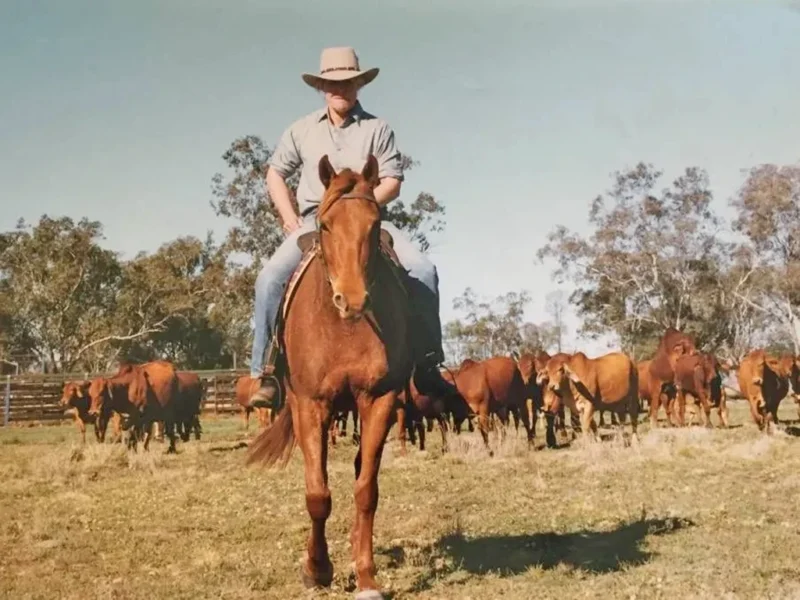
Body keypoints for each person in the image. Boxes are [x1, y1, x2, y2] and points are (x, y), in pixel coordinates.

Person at [247, 46, 453, 407]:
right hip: (316, 220)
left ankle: (427, 362)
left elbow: (392, 180)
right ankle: (264, 373)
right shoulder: (302, 130)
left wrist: (366, 205)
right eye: (331, 83)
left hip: (366, 219)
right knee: (268, 279)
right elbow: (275, 172)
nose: (339, 89)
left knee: (424, 269)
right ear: (321, 87)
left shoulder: (377, 129)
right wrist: (288, 216)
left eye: (347, 82)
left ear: (359, 84)